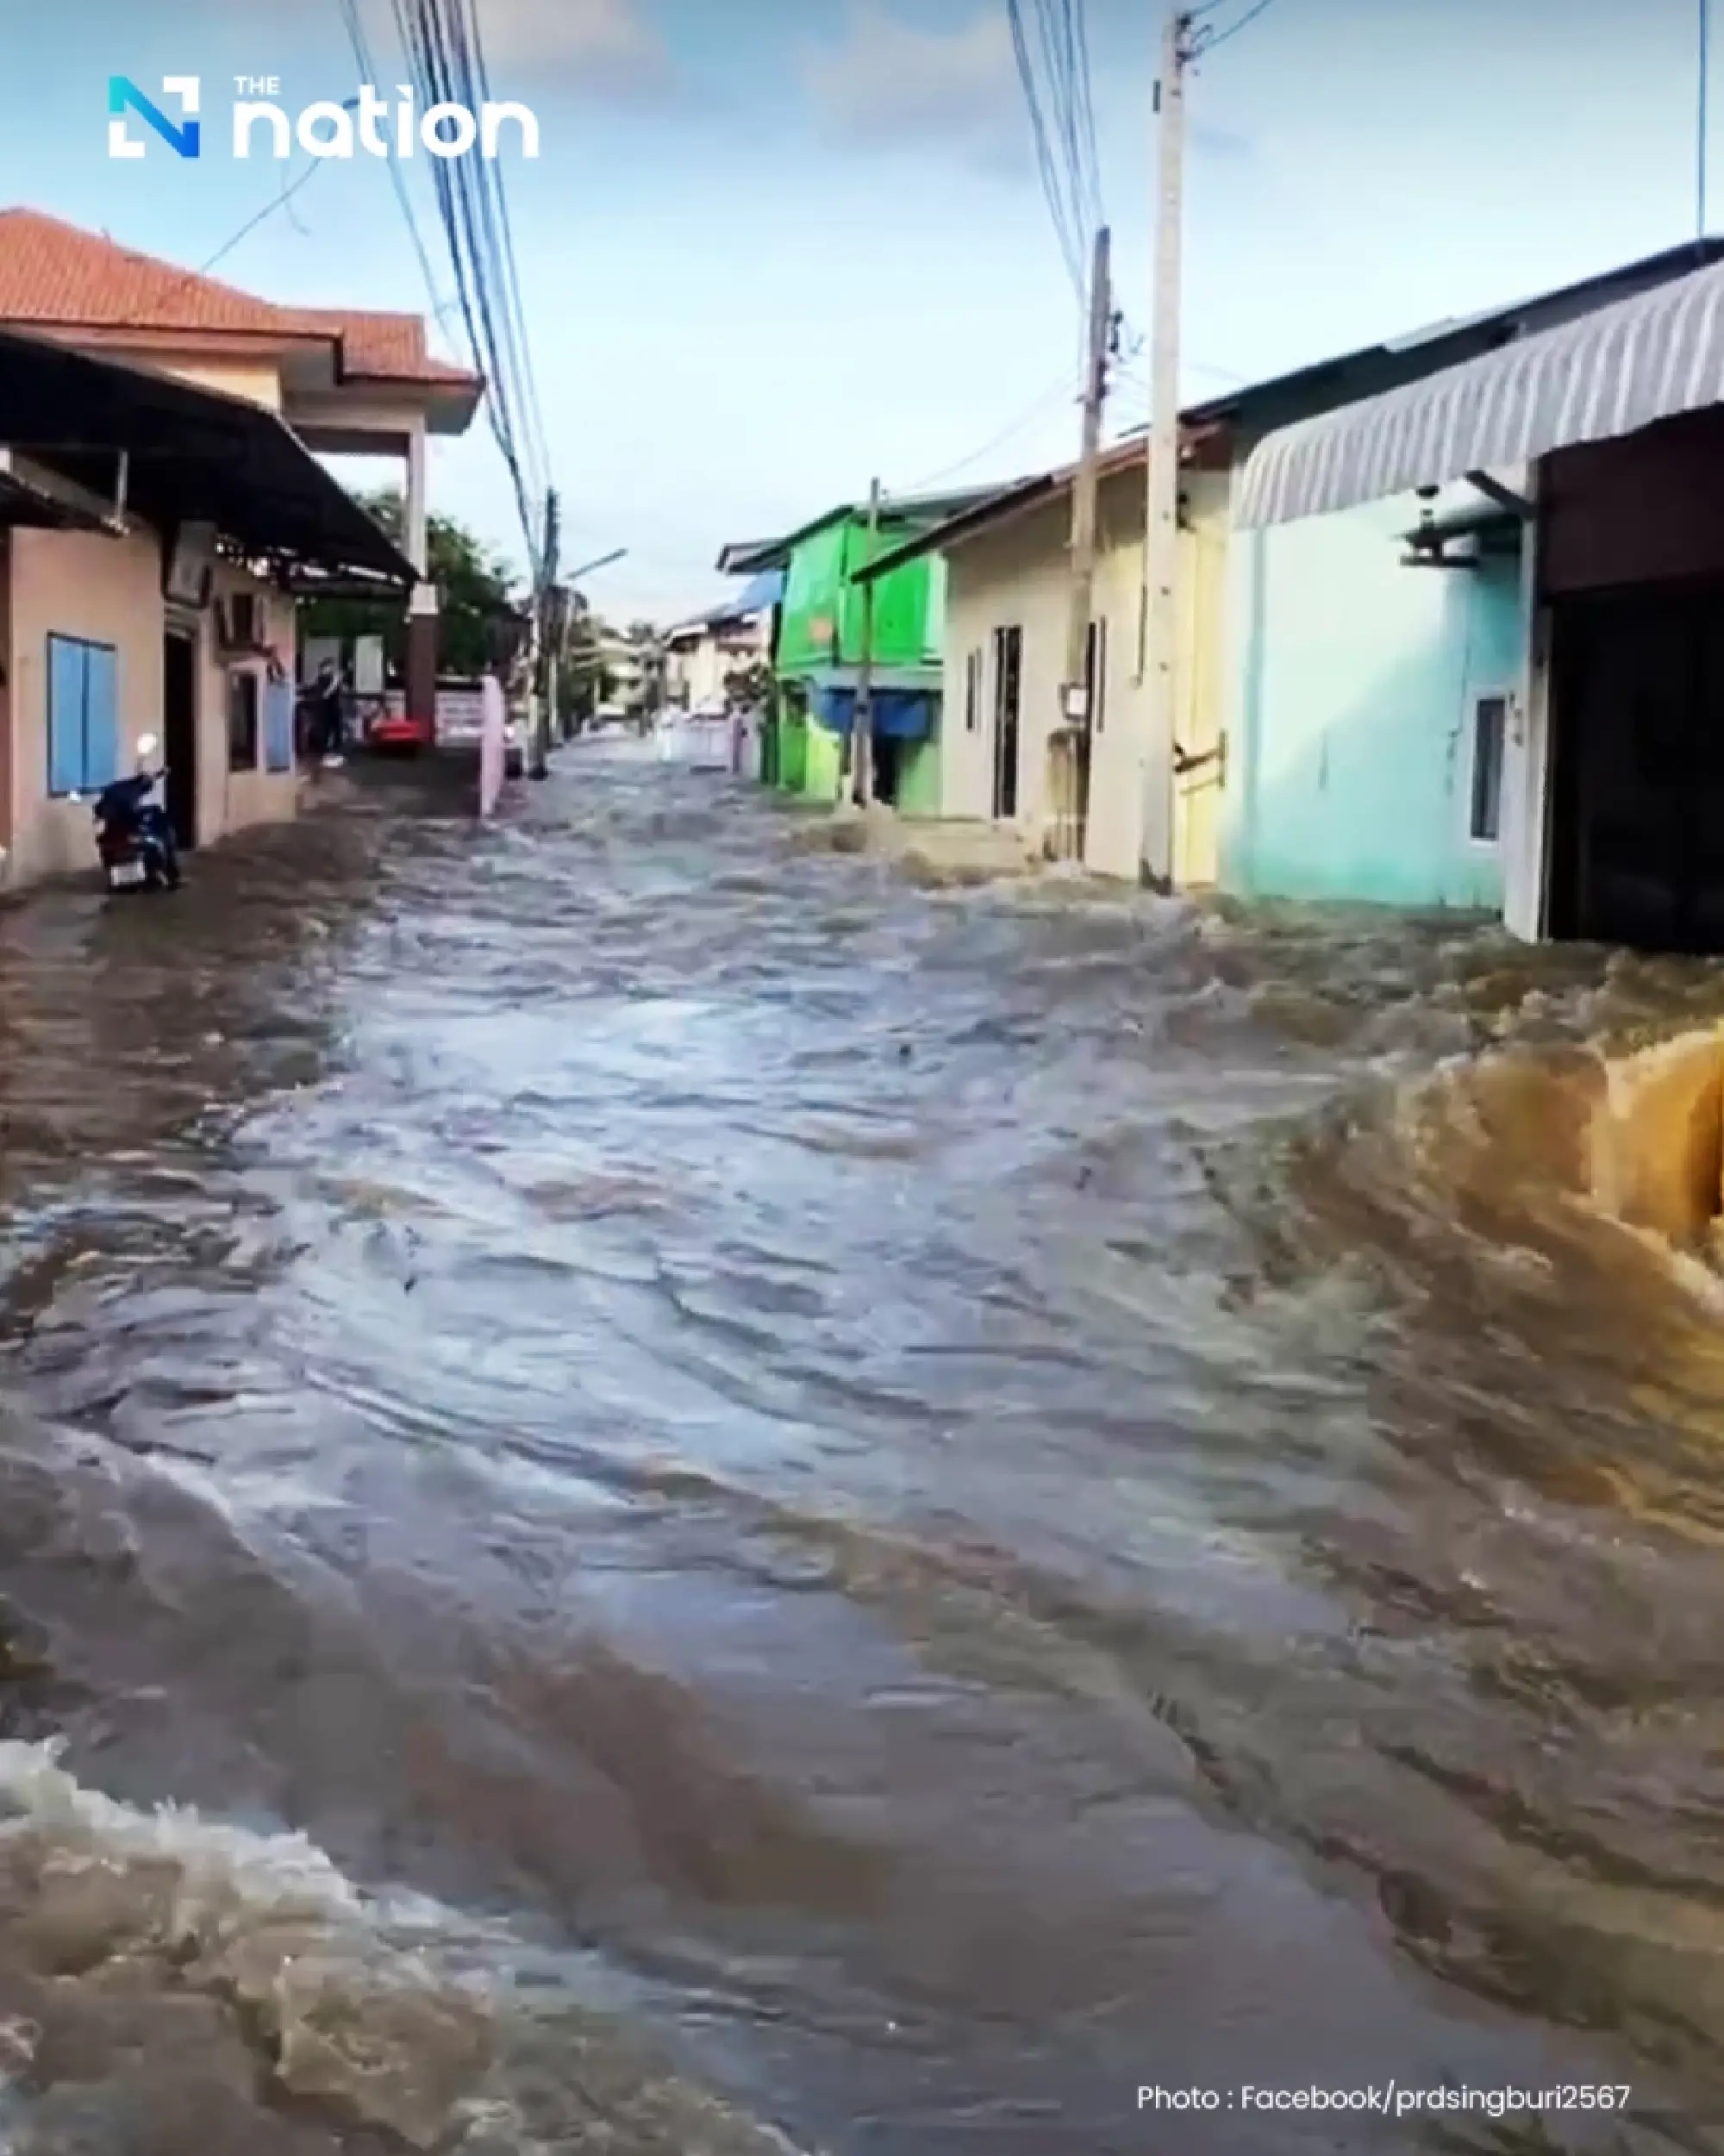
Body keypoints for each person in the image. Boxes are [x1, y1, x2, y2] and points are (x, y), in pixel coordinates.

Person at [478, 664, 507, 817]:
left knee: (491, 766)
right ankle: (488, 805)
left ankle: (487, 805)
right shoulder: (495, 690)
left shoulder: (492, 688)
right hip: (492, 739)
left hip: (491, 739)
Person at [310, 658, 347, 766]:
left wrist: (339, 684)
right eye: (328, 667)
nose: (330, 669)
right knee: (326, 732)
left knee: (337, 731)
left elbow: (339, 691)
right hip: (325, 710)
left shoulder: (332, 678)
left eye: (331, 667)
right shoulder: (321, 680)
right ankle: (325, 754)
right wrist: (335, 684)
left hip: (335, 709)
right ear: (323, 668)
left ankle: (335, 753)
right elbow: (325, 695)